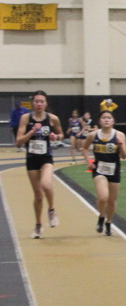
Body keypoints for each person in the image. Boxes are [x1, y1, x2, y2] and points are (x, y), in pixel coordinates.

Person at [16, 90, 63, 239]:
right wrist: (31, 132)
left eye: (42, 101)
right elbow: (18, 141)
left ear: (46, 103)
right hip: (32, 159)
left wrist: (55, 136)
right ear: (32, 103)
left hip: (46, 157)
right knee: (38, 196)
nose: (39, 104)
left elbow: (61, 135)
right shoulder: (25, 118)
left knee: (46, 184)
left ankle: (52, 210)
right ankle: (38, 225)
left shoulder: (52, 119)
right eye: (36, 101)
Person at [81, 110, 126, 236]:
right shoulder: (93, 135)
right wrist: (88, 162)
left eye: (109, 117)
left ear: (113, 121)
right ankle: (101, 216)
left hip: (114, 170)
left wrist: (121, 145)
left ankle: (109, 223)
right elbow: (84, 148)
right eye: (104, 117)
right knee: (103, 197)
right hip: (99, 169)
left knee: (112, 200)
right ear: (99, 121)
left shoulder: (120, 135)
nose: (106, 120)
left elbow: (124, 156)